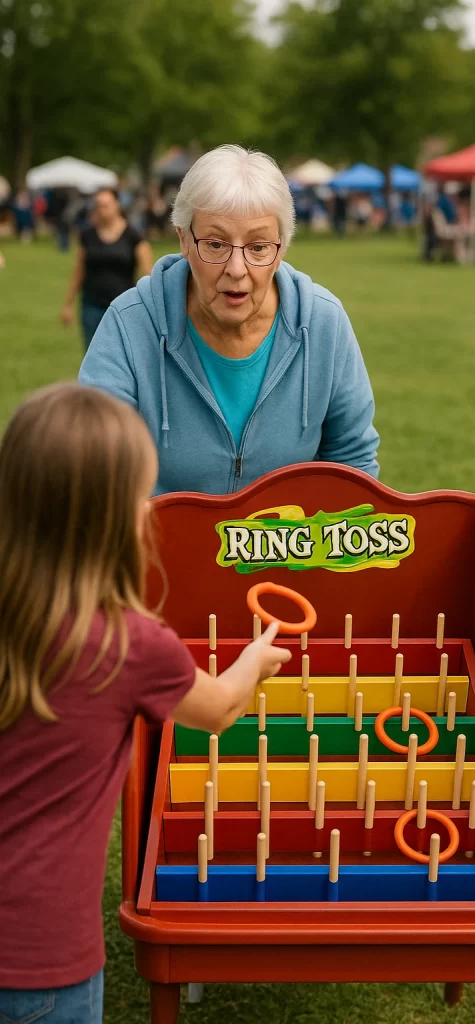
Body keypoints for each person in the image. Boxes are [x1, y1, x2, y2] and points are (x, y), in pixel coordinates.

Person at [0, 383, 291, 1023]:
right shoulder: (130, 645)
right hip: (42, 962)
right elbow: (218, 710)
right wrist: (254, 658)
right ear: (116, 518)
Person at [79, 145, 379, 496]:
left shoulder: (324, 322)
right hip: (161, 544)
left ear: (281, 249)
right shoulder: (129, 324)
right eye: (216, 244)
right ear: (184, 241)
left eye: (258, 247)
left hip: (289, 548)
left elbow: (353, 460)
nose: (237, 270)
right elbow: (96, 468)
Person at [61, 188, 153, 350]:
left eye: (106, 205)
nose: (102, 210)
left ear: (117, 205)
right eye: (99, 205)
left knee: (121, 354)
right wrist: (68, 303)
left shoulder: (133, 235)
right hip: (92, 305)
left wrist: (150, 305)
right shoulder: (87, 235)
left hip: (123, 306)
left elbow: (147, 273)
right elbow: (79, 270)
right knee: (93, 354)